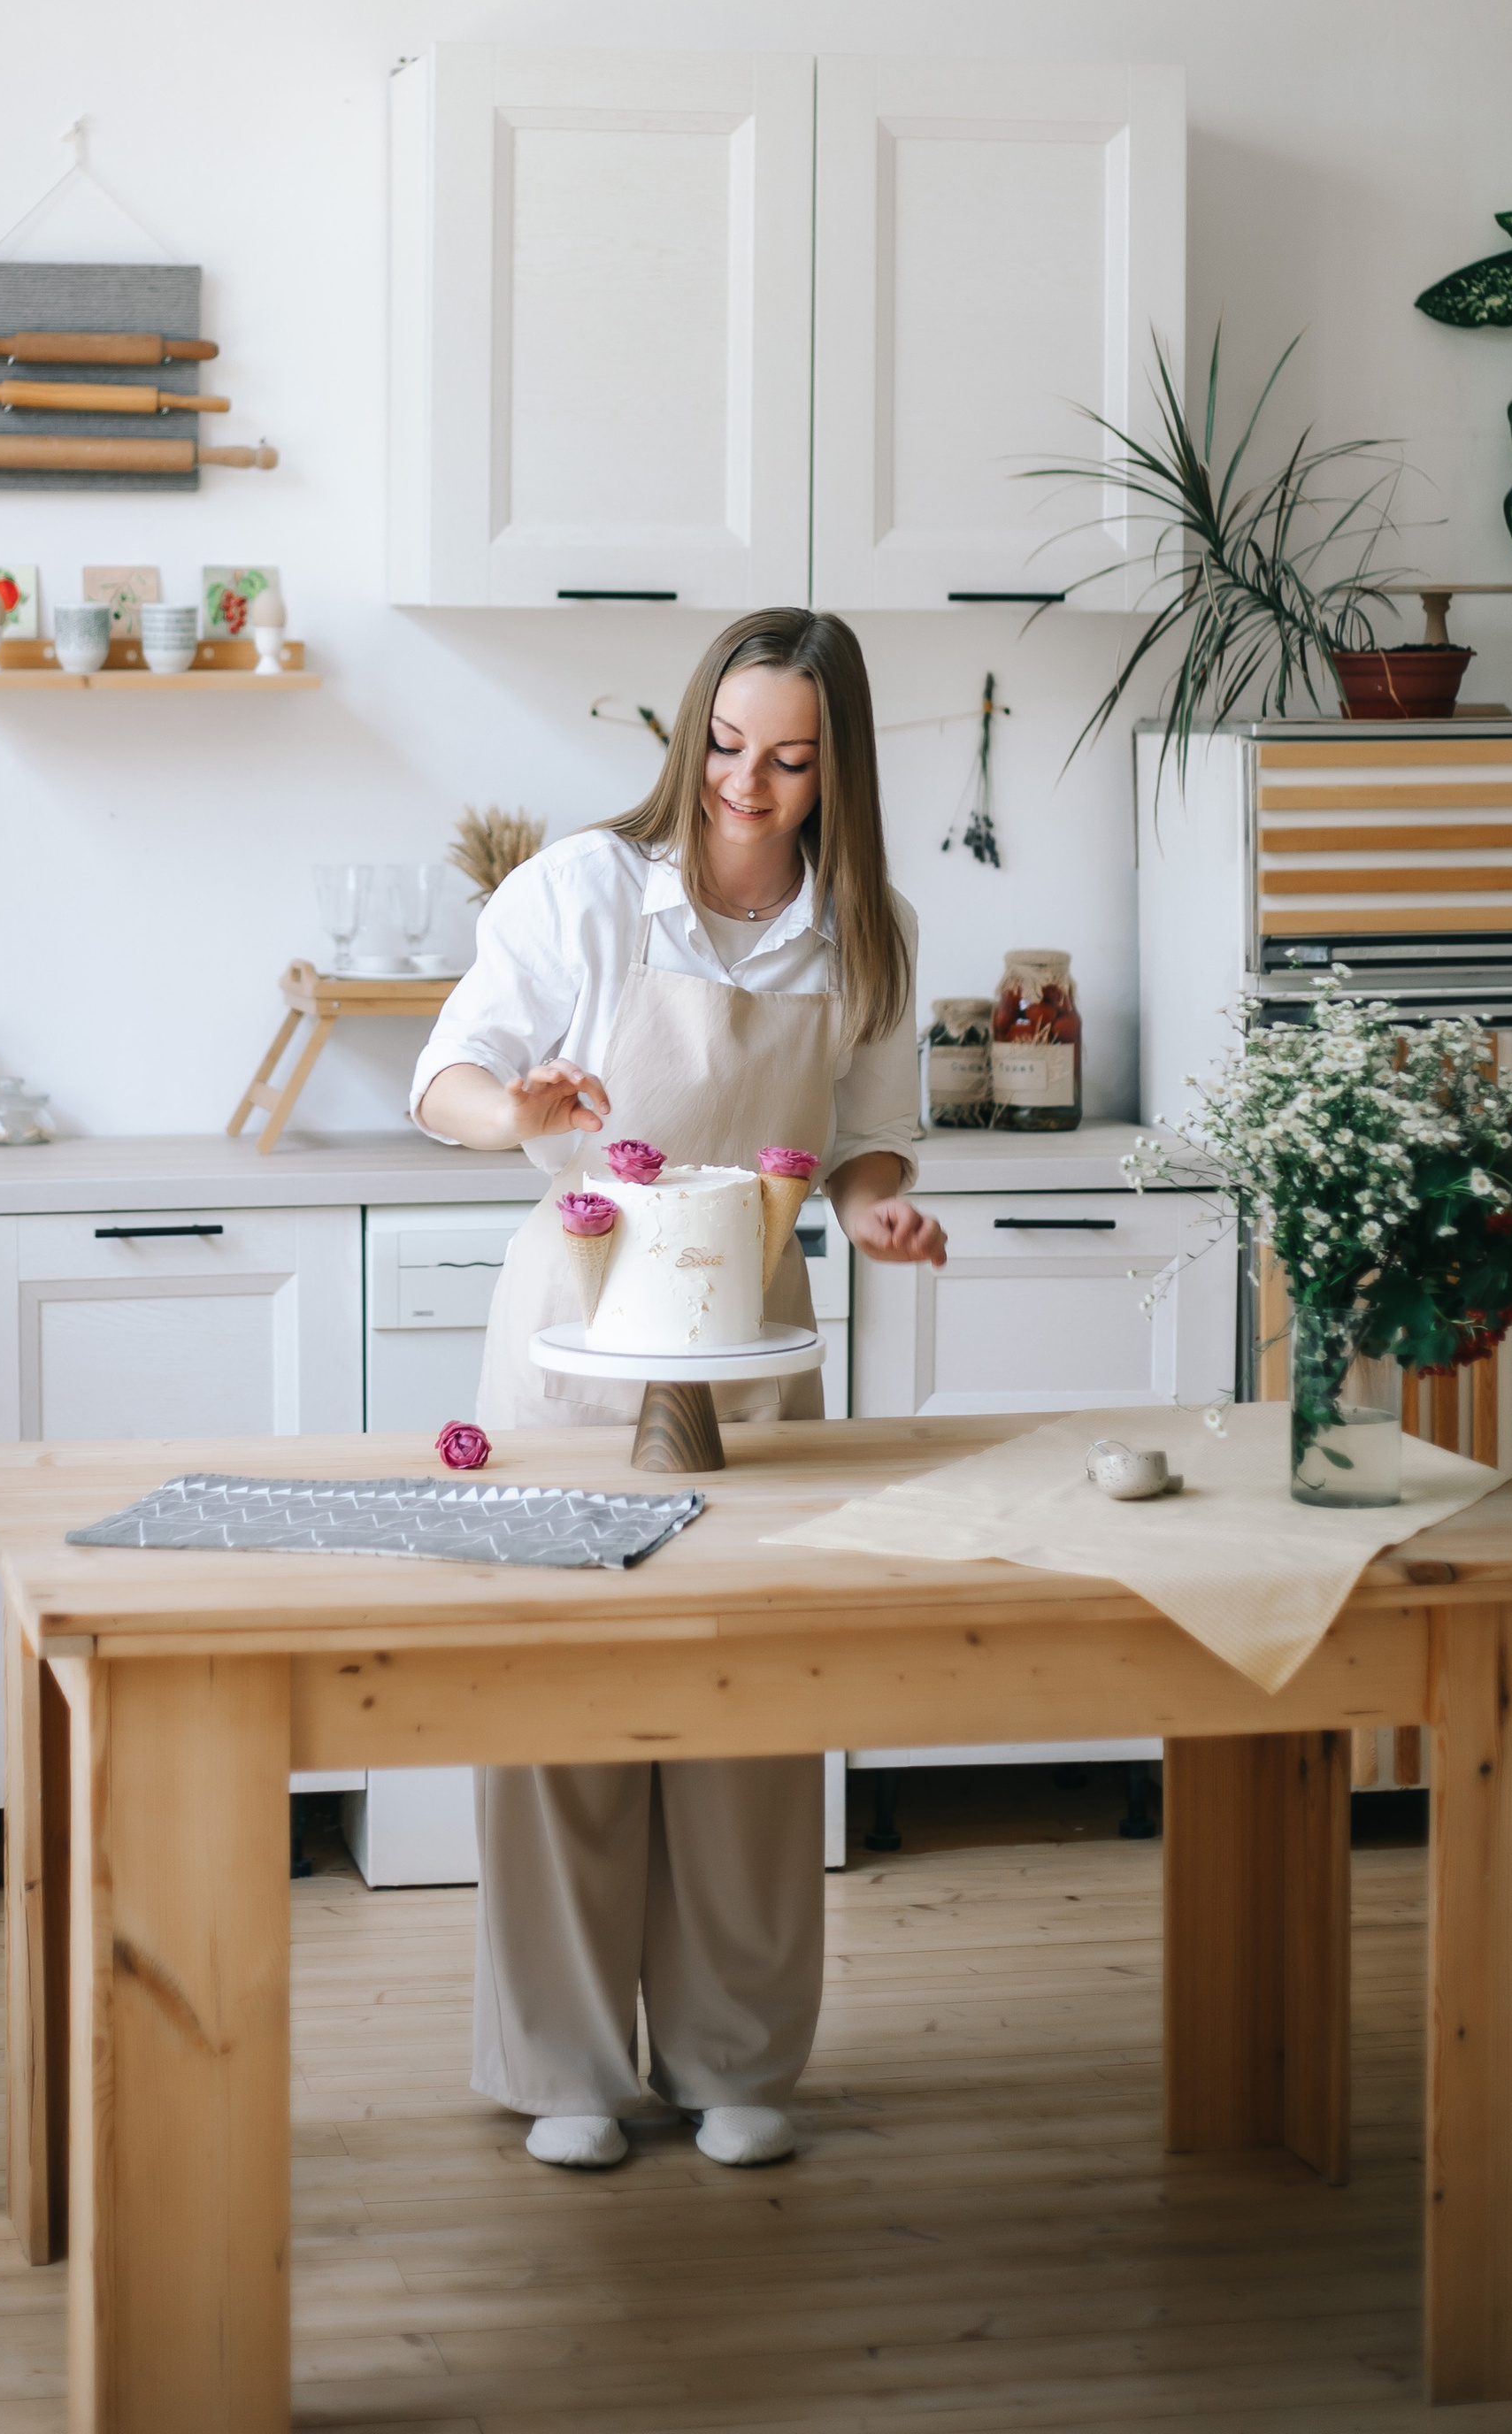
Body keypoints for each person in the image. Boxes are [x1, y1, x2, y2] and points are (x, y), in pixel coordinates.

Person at [412, 607, 946, 2173]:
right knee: (565, 1705)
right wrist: (504, 1104)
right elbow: (448, 1078)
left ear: (836, 765)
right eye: (724, 747)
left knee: (753, 1700)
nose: (745, 786)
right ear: (690, 731)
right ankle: (567, 2065)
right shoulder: (584, 889)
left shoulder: (865, 928)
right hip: (573, 1340)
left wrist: (874, 1211)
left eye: (788, 761)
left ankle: (737, 2059)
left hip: (754, 1344)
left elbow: (861, 1133)